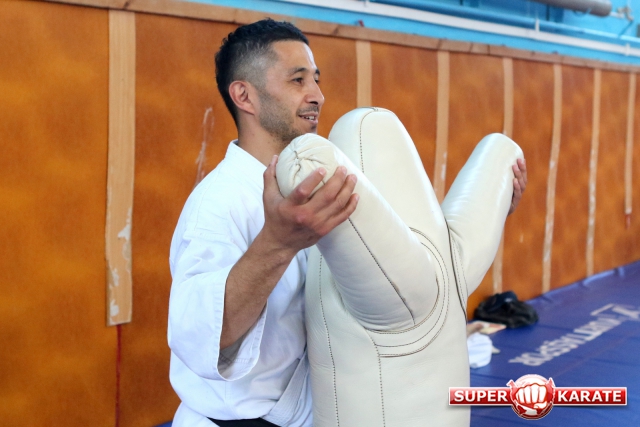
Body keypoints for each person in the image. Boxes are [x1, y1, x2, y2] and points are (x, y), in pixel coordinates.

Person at [167, 18, 527, 427]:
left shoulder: (322, 179)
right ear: (244, 95)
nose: (317, 95)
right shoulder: (218, 204)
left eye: (316, 80)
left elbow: (406, 268)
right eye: (298, 80)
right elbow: (201, 338)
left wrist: (491, 208)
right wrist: (277, 243)